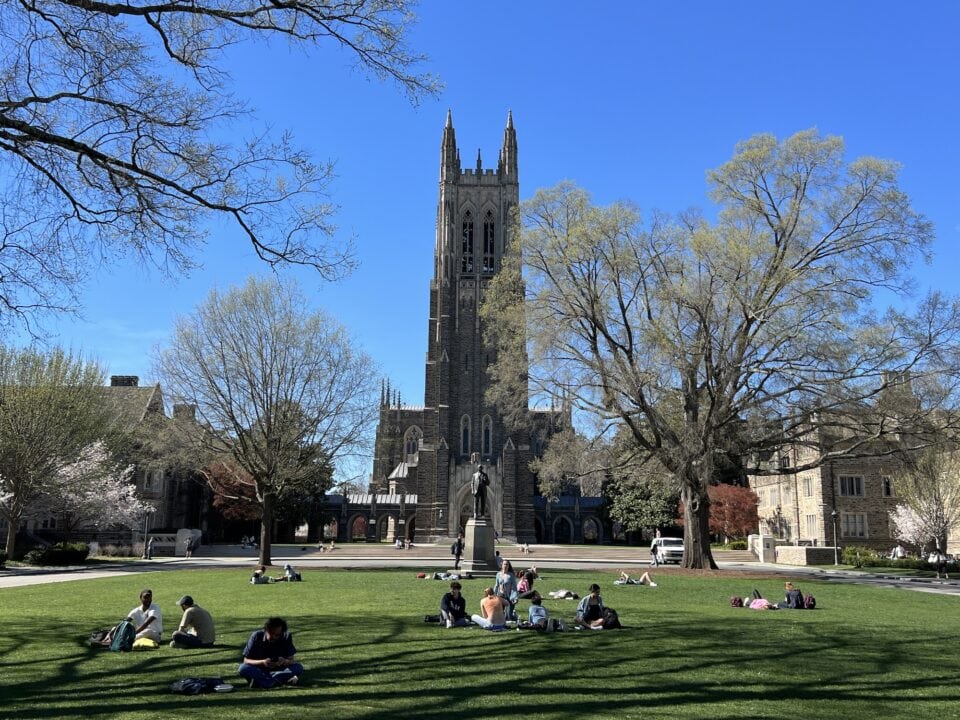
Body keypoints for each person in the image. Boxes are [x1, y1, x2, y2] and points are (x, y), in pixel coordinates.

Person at [238, 617, 304, 689]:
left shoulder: (286, 636)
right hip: (259, 670)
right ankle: (276, 681)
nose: (274, 637)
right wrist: (262, 662)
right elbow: (246, 660)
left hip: (278, 670)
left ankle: (265, 682)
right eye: (272, 633)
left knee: (298, 667)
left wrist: (284, 661)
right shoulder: (256, 636)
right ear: (266, 630)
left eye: (278, 635)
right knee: (243, 668)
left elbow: (291, 660)